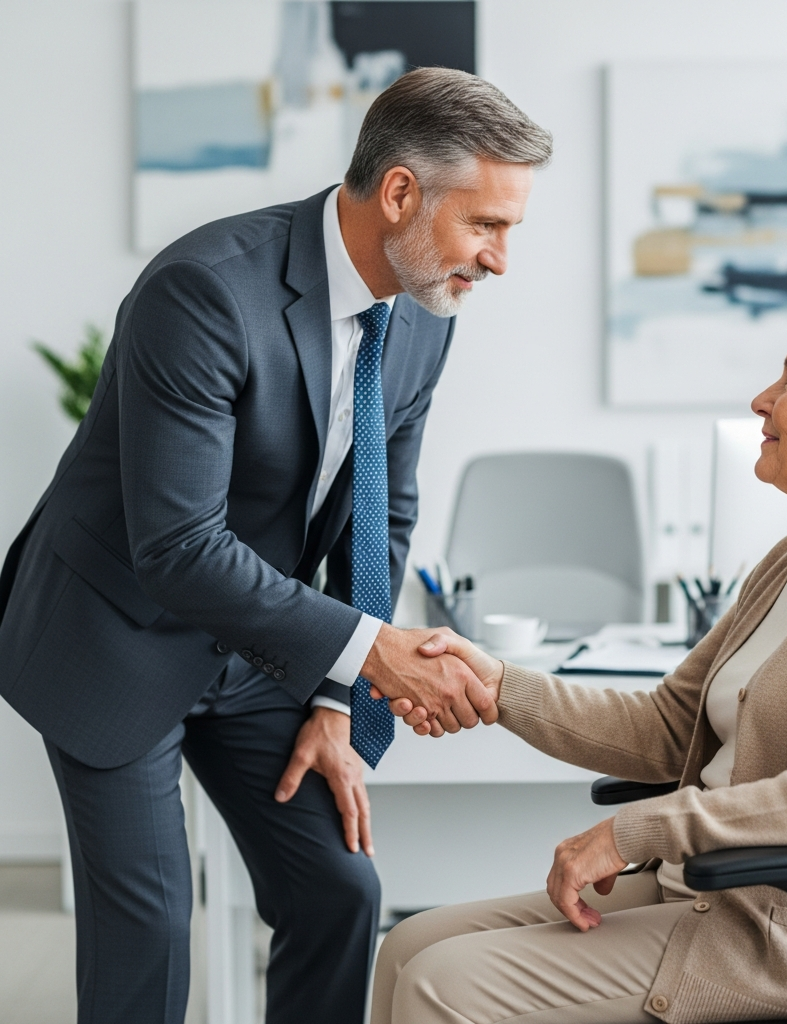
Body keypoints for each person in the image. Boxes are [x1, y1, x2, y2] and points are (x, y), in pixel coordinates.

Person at [0, 68, 550, 1024]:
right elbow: (176, 546)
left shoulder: (425, 309)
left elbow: (380, 519)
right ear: (401, 194)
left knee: (340, 894)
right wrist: (372, 652)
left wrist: (339, 697)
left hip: (254, 645)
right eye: (487, 226)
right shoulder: (205, 291)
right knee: (153, 933)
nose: (501, 259)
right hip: (116, 630)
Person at [372, 280, 787, 1023]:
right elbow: (669, 727)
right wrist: (499, 682)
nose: (761, 400)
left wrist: (636, 831)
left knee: (445, 983)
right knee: (408, 946)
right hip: (715, 893)